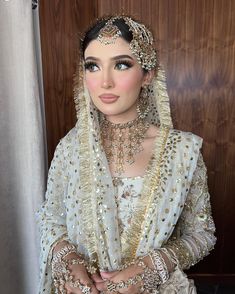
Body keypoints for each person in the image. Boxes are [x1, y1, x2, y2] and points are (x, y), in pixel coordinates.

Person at [37, 15, 216, 294]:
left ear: (148, 74)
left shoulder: (183, 151)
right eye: (93, 66)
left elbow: (202, 234)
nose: (104, 82)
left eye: (121, 65)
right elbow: (51, 218)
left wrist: (150, 267)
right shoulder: (71, 148)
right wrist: (69, 263)